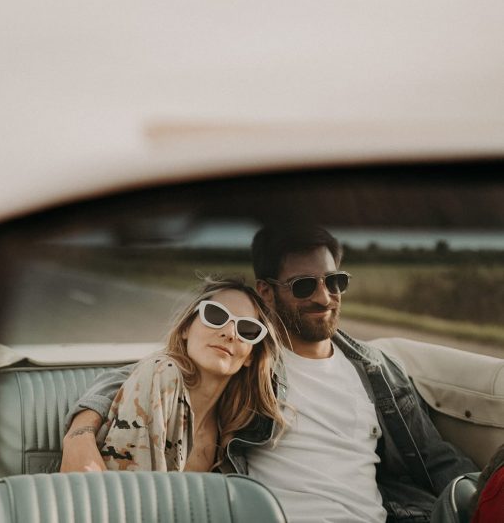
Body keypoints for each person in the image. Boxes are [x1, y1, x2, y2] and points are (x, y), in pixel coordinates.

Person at [61, 224, 477, 523]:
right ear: (267, 290)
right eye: (303, 286)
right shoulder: (250, 357)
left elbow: (434, 459)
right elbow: (151, 371)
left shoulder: (377, 369)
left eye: (335, 281)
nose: (324, 297)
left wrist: (482, 491)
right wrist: (80, 436)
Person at [96, 277, 285, 472]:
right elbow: (133, 493)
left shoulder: (234, 434)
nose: (229, 332)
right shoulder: (161, 373)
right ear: (186, 328)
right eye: (215, 315)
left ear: (250, 357)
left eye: (247, 329)